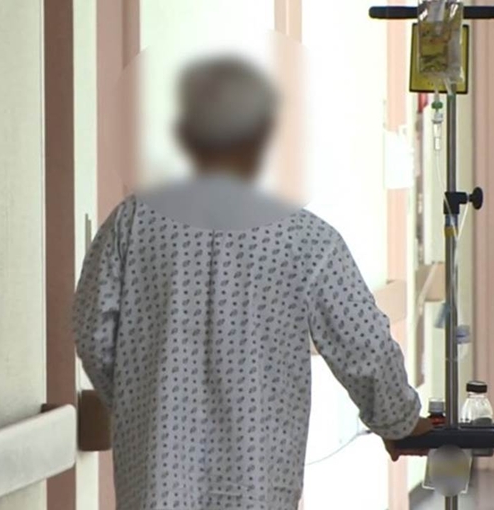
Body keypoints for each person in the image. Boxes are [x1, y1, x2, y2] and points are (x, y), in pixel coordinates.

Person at [73, 55, 431, 510]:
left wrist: (139, 400)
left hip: (155, 484)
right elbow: (364, 345)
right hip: (257, 485)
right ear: (263, 136)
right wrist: (399, 423)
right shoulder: (306, 240)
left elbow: (92, 331)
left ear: (186, 134)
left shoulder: (134, 222)